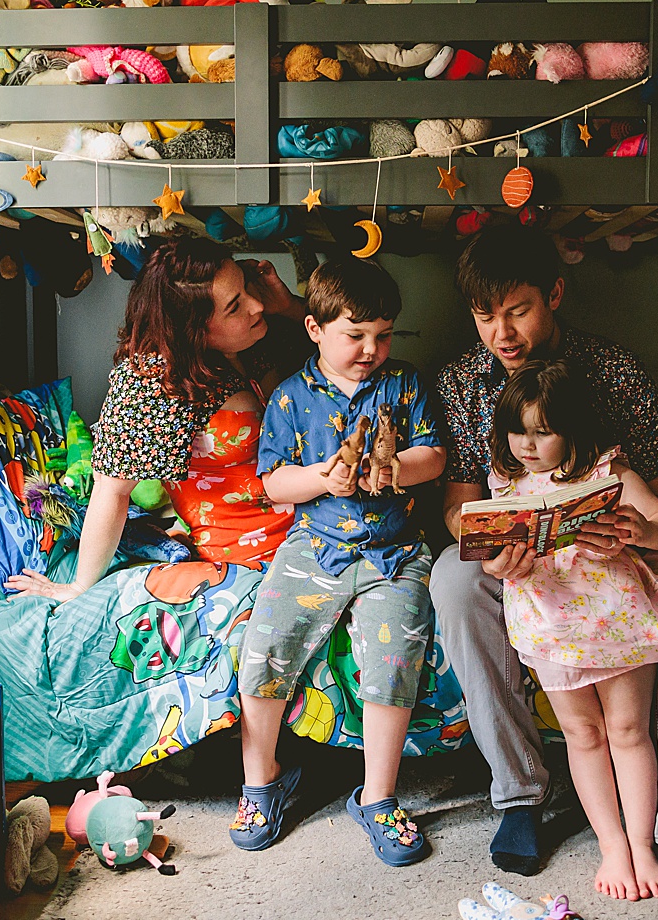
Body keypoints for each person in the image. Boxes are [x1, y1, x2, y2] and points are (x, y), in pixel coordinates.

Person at [431, 223, 658, 915]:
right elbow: (459, 507)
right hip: (525, 560)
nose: (502, 333)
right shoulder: (459, 381)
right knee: (451, 577)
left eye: (518, 311)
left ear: (555, 294)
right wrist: (491, 546)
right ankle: (521, 794)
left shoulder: (613, 369)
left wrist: (634, 535)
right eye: (485, 317)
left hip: (613, 555)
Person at [488, 360, 658, 902]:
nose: (526, 445)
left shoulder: (611, 473)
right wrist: (504, 565)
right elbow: (489, 557)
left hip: (613, 620)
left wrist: (641, 530)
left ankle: (644, 845)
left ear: (572, 429)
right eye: (517, 431)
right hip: (550, 622)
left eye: (542, 432)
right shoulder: (506, 485)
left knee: (627, 731)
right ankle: (612, 844)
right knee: (582, 735)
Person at [232, 259, 446, 865]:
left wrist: (396, 467)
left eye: (383, 334)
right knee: (266, 644)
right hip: (315, 545)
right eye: (356, 335)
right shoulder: (289, 397)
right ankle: (261, 781)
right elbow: (272, 482)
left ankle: (377, 797)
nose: (371, 349)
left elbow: (435, 455)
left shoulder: (405, 384)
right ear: (315, 328)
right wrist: (324, 479)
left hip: (396, 549)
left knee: (393, 654)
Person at [5, 237, 307, 600]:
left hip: (318, 527)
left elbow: (339, 350)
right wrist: (79, 587)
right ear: (193, 329)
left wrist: (288, 305)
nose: (257, 305)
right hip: (251, 555)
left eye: (246, 288)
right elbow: (111, 490)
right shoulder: (154, 382)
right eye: (234, 306)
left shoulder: (256, 337)